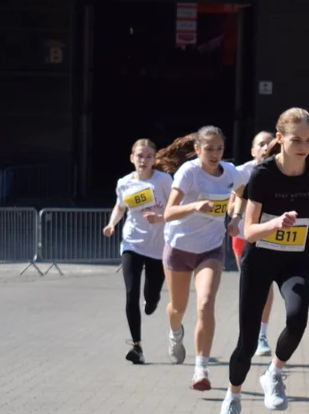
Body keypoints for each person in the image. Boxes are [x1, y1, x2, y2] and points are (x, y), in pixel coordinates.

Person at [218, 108, 309, 414]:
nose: (304, 146)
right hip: (260, 259)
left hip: (294, 258)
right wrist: (276, 225)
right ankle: (233, 397)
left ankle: (274, 373)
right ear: (280, 138)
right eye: (297, 140)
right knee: (248, 341)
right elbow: (248, 231)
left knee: (297, 319)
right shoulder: (263, 175)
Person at [161, 126, 250, 390]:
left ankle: (201, 369)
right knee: (177, 308)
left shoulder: (230, 172)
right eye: (208, 149)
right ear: (198, 149)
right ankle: (176, 332)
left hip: (210, 249)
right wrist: (194, 206)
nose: (214, 154)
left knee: (206, 302)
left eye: (219, 149)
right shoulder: (189, 172)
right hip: (179, 247)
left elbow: (244, 193)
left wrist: (235, 218)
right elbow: (168, 213)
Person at [102, 138, 172, 365]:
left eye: (149, 156)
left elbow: (174, 208)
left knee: (150, 298)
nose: (144, 160)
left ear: (155, 159)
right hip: (132, 243)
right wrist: (112, 224)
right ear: (132, 158)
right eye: (139, 156)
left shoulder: (164, 181)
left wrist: (160, 217)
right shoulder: (124, 183)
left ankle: (152, 300)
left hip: (158, 247)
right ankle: (137, 346)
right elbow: (120, 206)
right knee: (131, 293)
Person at [231, 130, 277, 357]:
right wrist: (235, 215)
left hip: (270, 236)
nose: (265, 147)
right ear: (252, 150)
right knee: (252, 285)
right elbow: (232, 201)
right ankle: (247, 333)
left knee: (266, 285)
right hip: (243, 237)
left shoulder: (282, 169)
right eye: (260, 144)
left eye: (269, 143)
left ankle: (261, 334)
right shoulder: (242, 172)